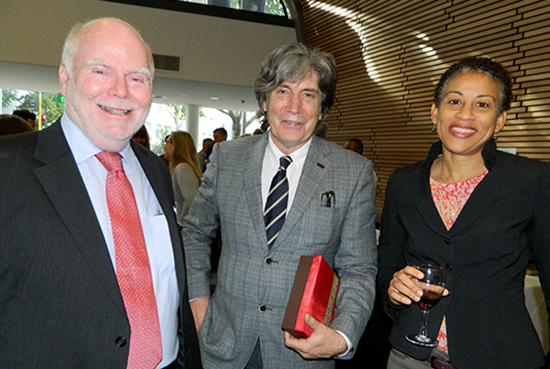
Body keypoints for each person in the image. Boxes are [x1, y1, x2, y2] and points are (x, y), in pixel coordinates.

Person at [0, 18, 201, 368]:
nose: (121, 90)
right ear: (65, 77)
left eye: (137, 78)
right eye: (101, 71)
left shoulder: (155, 170)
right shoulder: (8, 168)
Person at [182, 43, 378, 369]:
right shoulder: (227, 158)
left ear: (321, 107)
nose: (294, 107)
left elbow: (360, 269)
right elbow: (194, 232)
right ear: (264, 100)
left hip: (302, 355)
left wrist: (342, 334)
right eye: (283, 91)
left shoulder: (353, 173)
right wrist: (199, 304)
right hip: (222, 346)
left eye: (309, 95)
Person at [378, 56, 550, 369]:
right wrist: (393, 289)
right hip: (409, 357)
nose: (465, 115)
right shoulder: (403, 182)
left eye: (482, 105)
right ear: (435, 111)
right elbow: (385, 268)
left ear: (500, 120)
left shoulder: (532, 181)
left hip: (500, 358)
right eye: (454, 101)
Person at [169, 131, 202, 225]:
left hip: (187, 228)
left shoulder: (182, 168)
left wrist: (182, 222)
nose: (164, 146)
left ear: (176, 146)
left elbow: (191, 198)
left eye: (168, 142)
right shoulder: (182, 167)